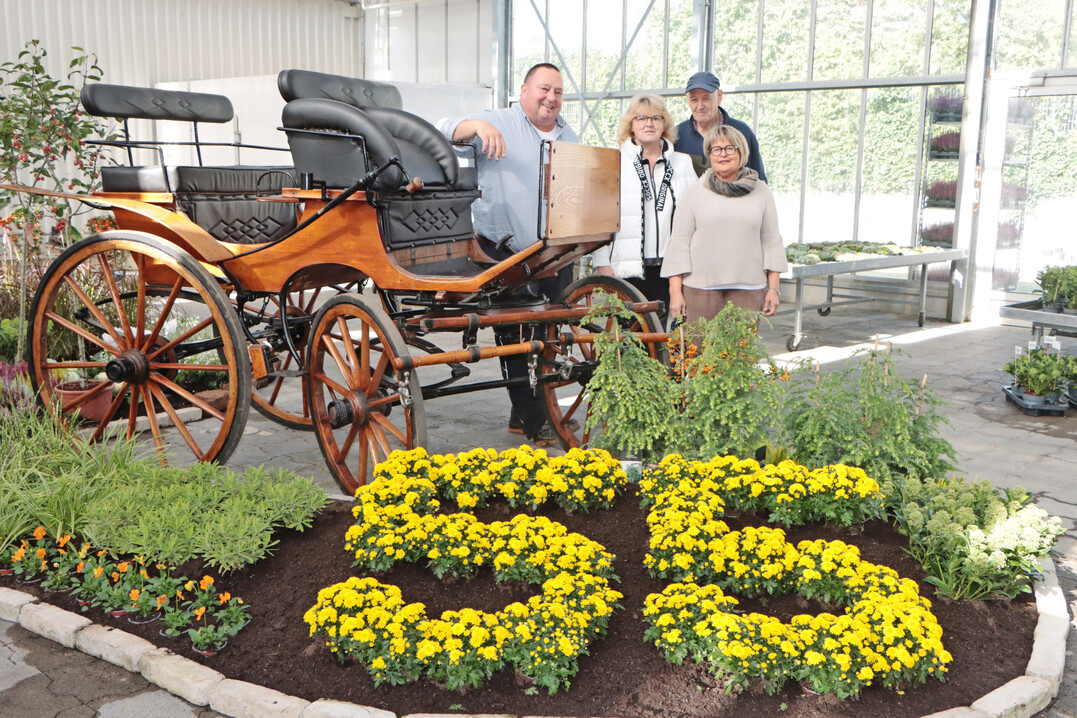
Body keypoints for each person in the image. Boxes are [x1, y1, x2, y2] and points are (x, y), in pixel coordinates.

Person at [437, 63, 577, 446]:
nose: (551, 98)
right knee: (518, 334)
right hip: (504, 251)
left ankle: (523, 412)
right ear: (525, 90)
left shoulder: (569, 134)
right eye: (544, 89)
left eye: (558, 92)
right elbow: (443, 128)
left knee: (547, 332)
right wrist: (476, 128)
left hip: (555, 251)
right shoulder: (497, 120)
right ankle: (536, 421)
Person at [662, 124, 786, 324]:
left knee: (742, 352)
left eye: (730, 148)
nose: (723, 155)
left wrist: (773, 289)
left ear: (741, 152)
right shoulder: (694, 193)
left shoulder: (762, 191)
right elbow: (679, 244)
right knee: (701, 351)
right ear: (709, 155)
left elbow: (771, 241)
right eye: (716, 149)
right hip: (701, 289)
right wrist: (675, 292)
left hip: (749, 289)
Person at [591, 94, 696, 324]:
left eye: (656, 118)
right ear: (630, 125)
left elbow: (695, 216)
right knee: (628, 337)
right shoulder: (613, 162)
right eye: (641, 118)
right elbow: (598, 218)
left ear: (664, 123)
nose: (649, 123)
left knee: (661, 336)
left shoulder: (682, 163)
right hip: (626, 268)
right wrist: (602, 262)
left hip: (670, 269)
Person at [673, 71, 766, 182]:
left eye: (706, 98)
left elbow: (758, 180)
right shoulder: (676, 136)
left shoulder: (742, 132)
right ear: (688, 101)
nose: (700, 106)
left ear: (719, 97)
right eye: (694, 100)